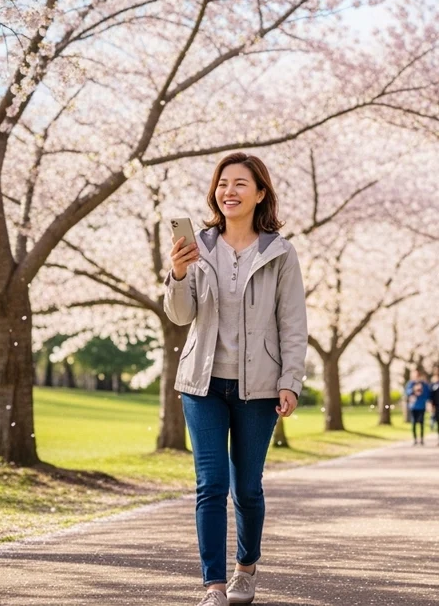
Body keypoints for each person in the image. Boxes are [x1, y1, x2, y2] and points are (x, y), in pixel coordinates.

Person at [165, 153, 307, 606]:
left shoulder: (280, 253)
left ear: (260, 193)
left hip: (259, 388)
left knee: (247, 487)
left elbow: (293, 323)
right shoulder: (199, 247)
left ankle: (246, 568)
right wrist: (178, 273)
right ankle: (213, 586)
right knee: (210, 485)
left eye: (241, 183)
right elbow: (180, 314)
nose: (229, 191)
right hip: (201, 384)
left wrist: (291, 381)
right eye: (223, 183)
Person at [405, 369, 432, 446]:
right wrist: (413, 390)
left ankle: (422, 439)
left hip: (421, 406)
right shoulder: (410, 384)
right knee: (413, 423)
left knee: (421, 423)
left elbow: (427, 394)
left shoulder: (424, 384)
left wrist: (422, 394)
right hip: (413, 406)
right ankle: (415, 439)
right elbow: (407, 392)